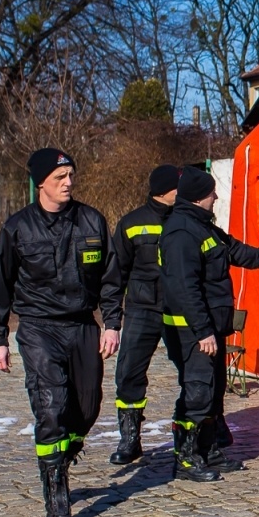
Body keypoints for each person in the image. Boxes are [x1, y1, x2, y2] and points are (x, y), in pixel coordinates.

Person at [0, 148, 122, 517]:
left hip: (82, 326)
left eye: (70, 176)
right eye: (60, 177)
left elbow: (111, 279)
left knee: (88, 406)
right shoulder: (18, 228)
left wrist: (111, 323)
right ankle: (56, 492)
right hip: (38, 328)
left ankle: (63, 455)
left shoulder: (91, 221)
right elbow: (0, 285)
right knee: (51, 406)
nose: (68, 183)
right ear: (41, 182)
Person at [160, 166, 259, 481]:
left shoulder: (203, 227)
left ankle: (208, 451)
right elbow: (185, 287)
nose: (216, 197)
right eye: (211, 193)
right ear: (198, 198)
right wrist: (202, 331)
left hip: (210, 327)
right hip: (193, 331)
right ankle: (185, 458)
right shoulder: (181, 232)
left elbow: (233, 250)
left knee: (213, 390)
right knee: (197, 392)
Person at [103, 164, 181, 465]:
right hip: (141, 310)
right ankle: (130, 439)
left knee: (195, 372)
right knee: (128, 374)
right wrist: (113, 320)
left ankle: (197, 433)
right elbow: (115, 275)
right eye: (178, 186)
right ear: (163, 189)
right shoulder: (131, 223)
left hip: (179, 311)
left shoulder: (187, 221)